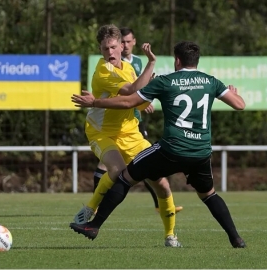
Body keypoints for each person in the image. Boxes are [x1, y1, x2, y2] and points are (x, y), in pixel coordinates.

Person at [70, 41, 246, 248]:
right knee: (209, 195)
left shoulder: (166, 81)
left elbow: (128, 102)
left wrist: (94, 103)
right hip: (200, 152)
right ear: (196, 61)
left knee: (126, 177)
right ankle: (236, 238)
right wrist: (233, 92)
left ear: (177, 61)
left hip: (170, 150)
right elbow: (240, 105)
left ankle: (94, 226)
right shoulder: (210, 81)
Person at [71, 24, 180, 247]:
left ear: (122, 46)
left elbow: (136, 99)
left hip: (131, 134)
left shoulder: (129, 69)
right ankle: (89, 209)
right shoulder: (103, 71)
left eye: (112, 47)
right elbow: (131, 92)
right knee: (117, 168)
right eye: (104, 49)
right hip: (101, 132)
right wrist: (151, 64)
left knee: (162, 183)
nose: (109, 53)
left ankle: (170, 236)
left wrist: (143, 104)